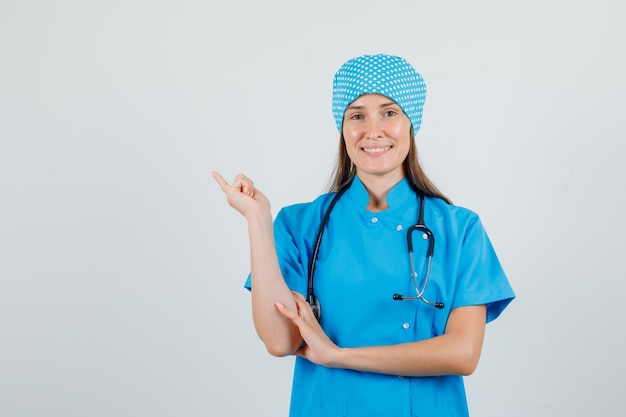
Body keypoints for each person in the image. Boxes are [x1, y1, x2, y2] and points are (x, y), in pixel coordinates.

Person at [213, 53, 515, 417]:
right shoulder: (300, 225)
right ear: (342, 127)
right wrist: (258, 220)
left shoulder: (460, 228)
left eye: (389, 113)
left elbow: (464, 354)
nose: (373, 131)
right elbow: (280, 341)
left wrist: (338, 356)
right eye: (357, 115)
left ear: (410, 124)